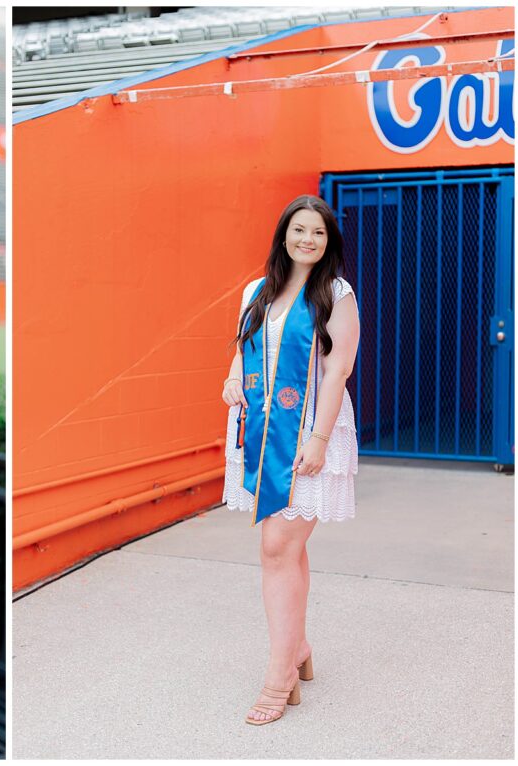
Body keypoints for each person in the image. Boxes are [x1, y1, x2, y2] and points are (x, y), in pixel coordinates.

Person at [220, 194, 360, 725]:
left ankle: (280, 673)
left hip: (309, 432)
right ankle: (297, 647)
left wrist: (319, 438)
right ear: (284, 234)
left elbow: (338, 368)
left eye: (318, 233)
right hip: (259, 434)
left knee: (277, 546)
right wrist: (233, 378)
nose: (308, 239)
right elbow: (242, 347)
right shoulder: (256, 292)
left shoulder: (335, 293)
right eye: (300, 229)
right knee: (286, 548)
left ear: (328, 242)